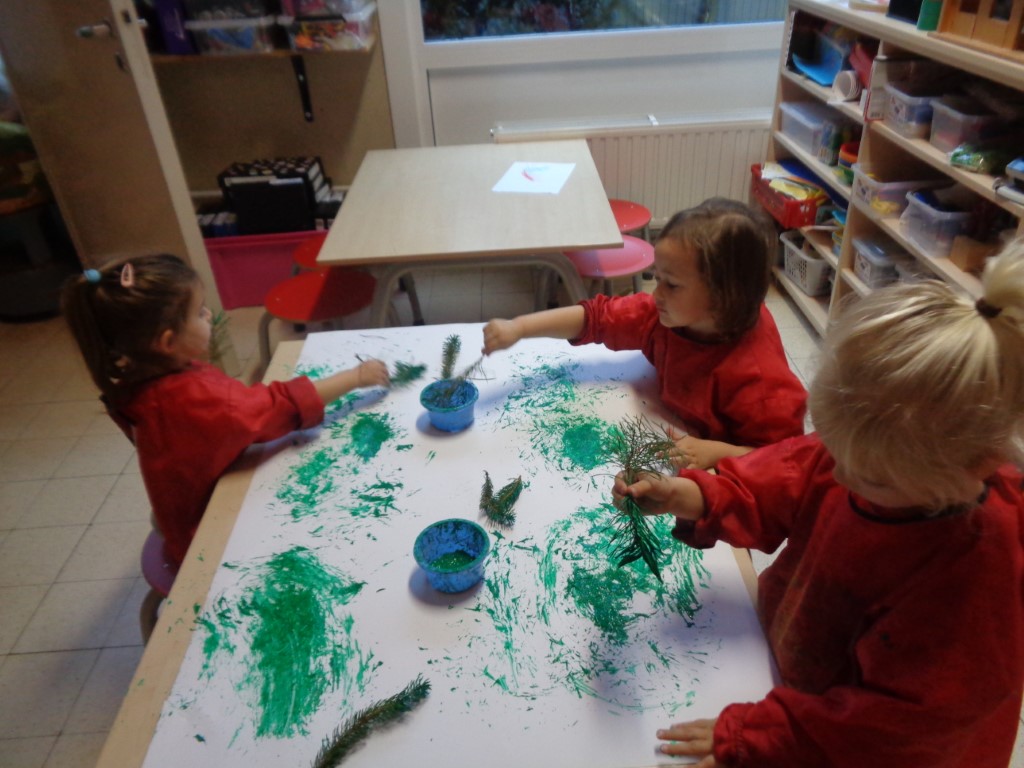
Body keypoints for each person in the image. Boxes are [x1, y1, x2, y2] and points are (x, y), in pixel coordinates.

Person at [613, 238, 1024, 767]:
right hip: (794, 660)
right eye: (832, 445)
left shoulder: (974, 588)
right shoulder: (868, 455)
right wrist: (688, 494)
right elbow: (777, 481)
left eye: (868, 477)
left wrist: (761, 735)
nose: (841, 474)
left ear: (976, 467)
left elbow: (888, 733)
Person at [61, 254, 390, 567]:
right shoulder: (193, 398)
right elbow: (276, 407)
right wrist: (355, 377)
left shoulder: (137, 374)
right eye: (199, 312)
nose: (208, 315)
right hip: (205, 536)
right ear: (167, 342)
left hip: (181, 512)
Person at [482, 198, 806, 469]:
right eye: (656, 278)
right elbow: (596, 317)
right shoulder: (662, 315)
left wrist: (718, 453)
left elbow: (789, 459)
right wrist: (519, 327)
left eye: (672, 284)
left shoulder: (761, 382)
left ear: (723, 298)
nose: (656, 294)